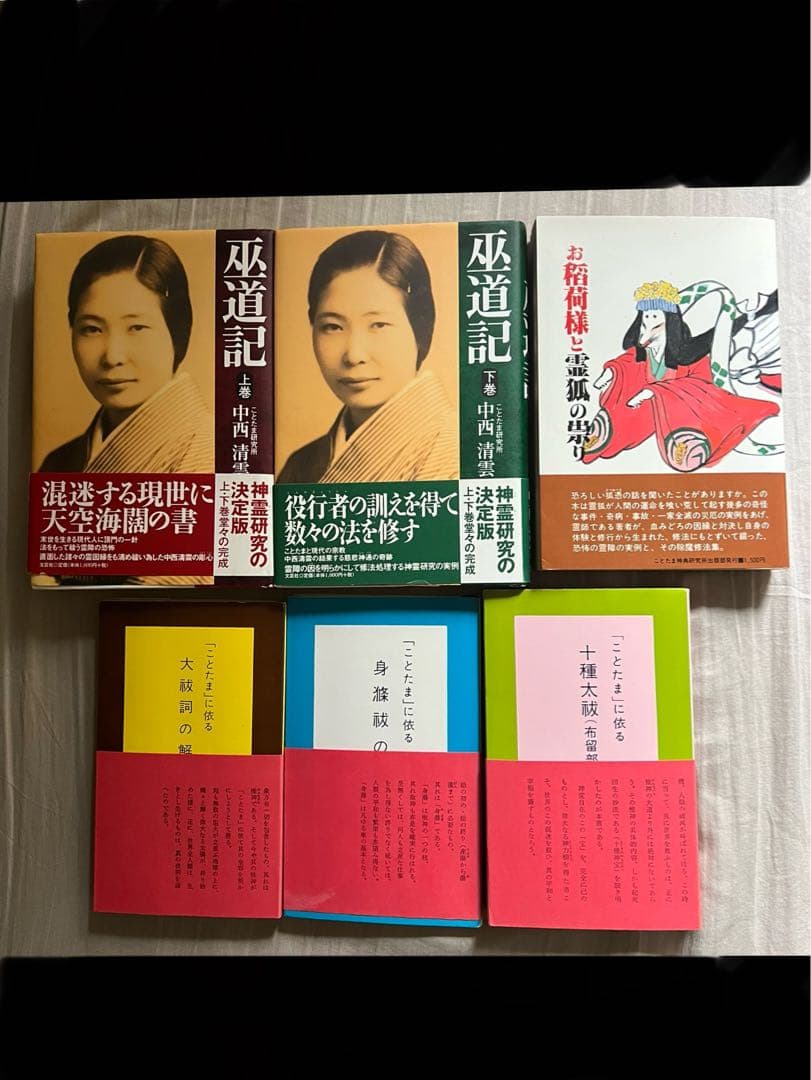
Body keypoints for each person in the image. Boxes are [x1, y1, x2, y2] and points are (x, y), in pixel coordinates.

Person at [277, 229, 458, 483]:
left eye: (378, 325)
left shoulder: (454, 453)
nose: (354, 355)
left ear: (420, 328)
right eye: (333, 327)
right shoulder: (302, 464)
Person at [39, 234, 212, 474]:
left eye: (137, 328)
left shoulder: (210, 454)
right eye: (92, 329)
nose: (112, 357)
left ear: (177, 331)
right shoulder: (59, 463)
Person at [581, 280, 780, 472]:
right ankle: (604, 433)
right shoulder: (644, 348)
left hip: (683, 404)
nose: (648, 321)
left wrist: (655, 391)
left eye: (654, 317)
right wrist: (613, 371)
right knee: (618, 414)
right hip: (646, 403)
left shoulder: (690, 355)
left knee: (682, 444)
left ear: (668, 320)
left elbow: (699, 382)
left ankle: (692, 445)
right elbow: (630, 361)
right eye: (645, 317)